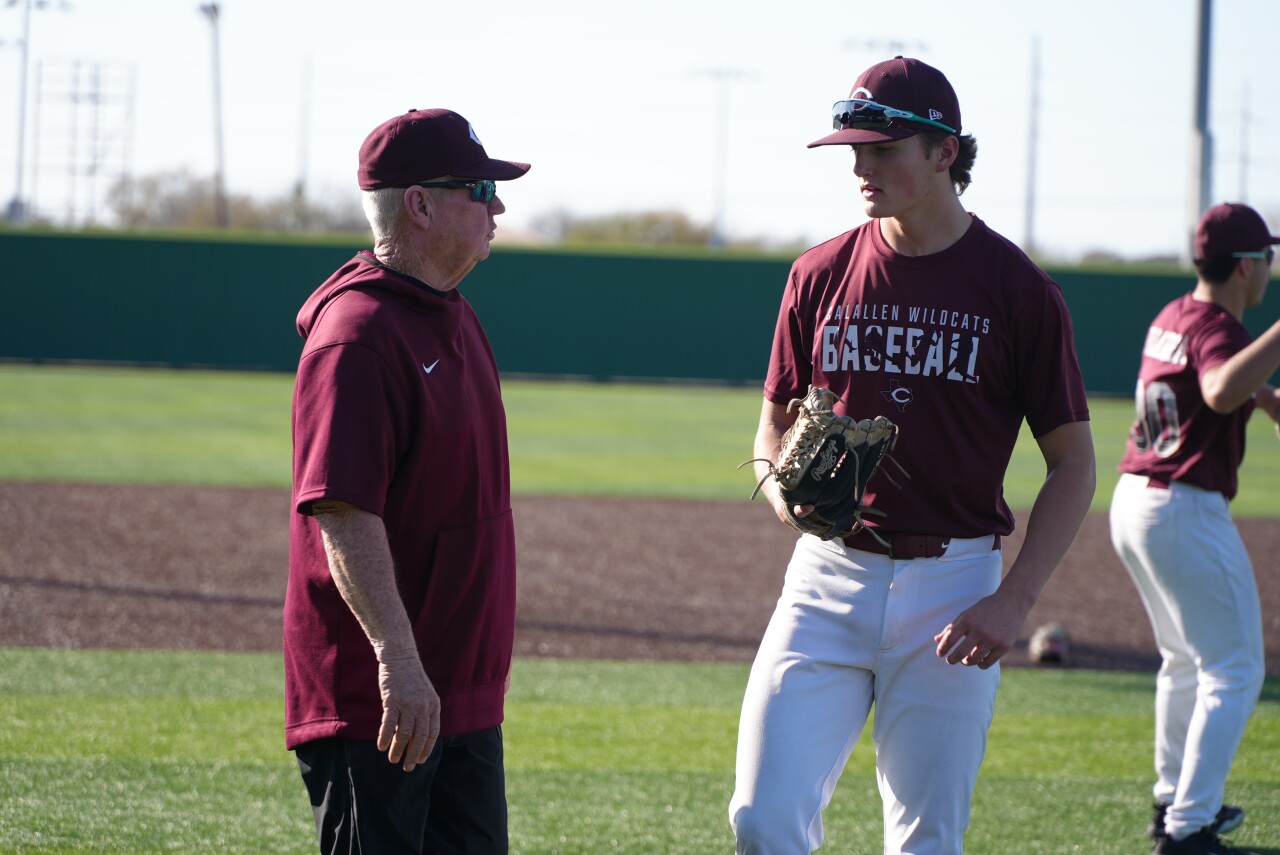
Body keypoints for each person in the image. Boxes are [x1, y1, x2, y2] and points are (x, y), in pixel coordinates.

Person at [728, 57, 1097, 855]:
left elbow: (1073, 463)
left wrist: (1015, 600)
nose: (862, 167)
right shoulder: (819, 273)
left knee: (925, 840)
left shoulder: (1018, 289)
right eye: (854, 150)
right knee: (762, 818)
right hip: (826, 577)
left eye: (883, 149)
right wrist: (780, 490)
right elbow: (771, 430)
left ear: (944, 152)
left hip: (955, 586)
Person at [284, 108, 529, 854]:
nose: (498, 206)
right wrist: (398, 660)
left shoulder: (454, 314)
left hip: (455, 695)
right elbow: (344, 511)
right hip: (384, 702)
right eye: (480, 189)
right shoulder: (356, 336)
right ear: (419, 205)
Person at [1110, 202, 1280, 855]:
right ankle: (1188, 825)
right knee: (1235, 669)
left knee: (1185, 660)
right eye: (1266, 257)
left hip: (1137, 498)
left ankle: (1171, 800)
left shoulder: (1175, 313)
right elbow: (1215, 388)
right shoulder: (1221, 327)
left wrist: (1264, 398)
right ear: (1245, 265)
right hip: (1182, 505)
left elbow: (1208, 376)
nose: (1270, 268)